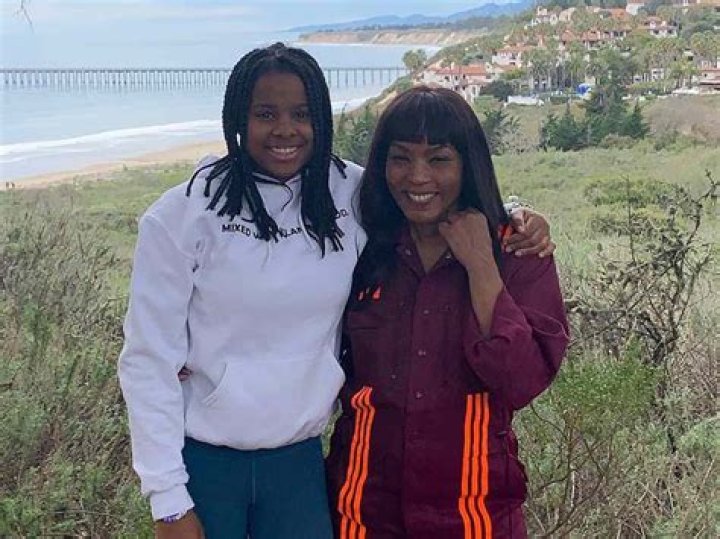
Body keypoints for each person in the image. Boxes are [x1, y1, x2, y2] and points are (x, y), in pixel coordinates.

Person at [118, 43, 553, 539]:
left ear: (321, 120)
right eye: (265, 114)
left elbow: (426, 190)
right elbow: (147, 362)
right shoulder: (182, 215)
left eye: (302, 114)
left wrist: (515, 215)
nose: (285, 130)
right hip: (206, 462)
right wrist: (168, 501)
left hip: (299, 465)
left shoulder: (348, 193)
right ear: (238, 118)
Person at [325, 86, 570, 538]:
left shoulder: (516, 251)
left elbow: (521, 382)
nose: (418, 177)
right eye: (400, 158)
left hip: (475, 516)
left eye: (439, 159)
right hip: (361, 512)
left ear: (468, 164)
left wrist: (481, 266)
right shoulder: (361, 246)